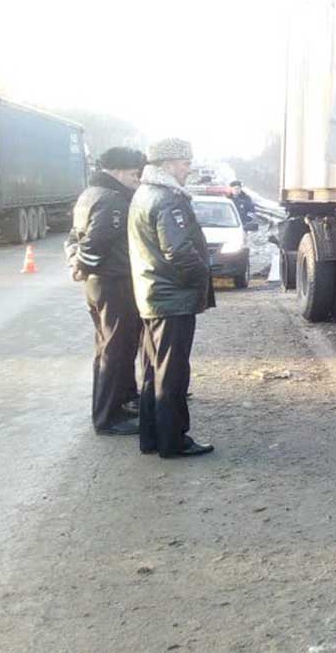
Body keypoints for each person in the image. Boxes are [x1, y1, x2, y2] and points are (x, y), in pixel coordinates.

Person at [129, 137, 215, 458]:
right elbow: (178, 251)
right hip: (171, 298)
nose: (188, 169)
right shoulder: (167, 200)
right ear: (166, 165)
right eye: (184, 162)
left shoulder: (143, 194)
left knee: (154, 369)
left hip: (152, 295)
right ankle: (174, 440)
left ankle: (152, 437)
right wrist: (200, 277)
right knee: (173, 372)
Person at [66, 146, 147, 435]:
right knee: (116, 348)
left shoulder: (89, 194)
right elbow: (97, 241)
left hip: (99, 283)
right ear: (120, 171)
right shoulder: (113, 199)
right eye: (135, 175)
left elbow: (74, 236)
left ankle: (122, 400)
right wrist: (83, 264)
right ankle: (108, 417)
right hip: (115, 281)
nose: (137, 180)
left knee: (108, 346)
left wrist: (77, 263)